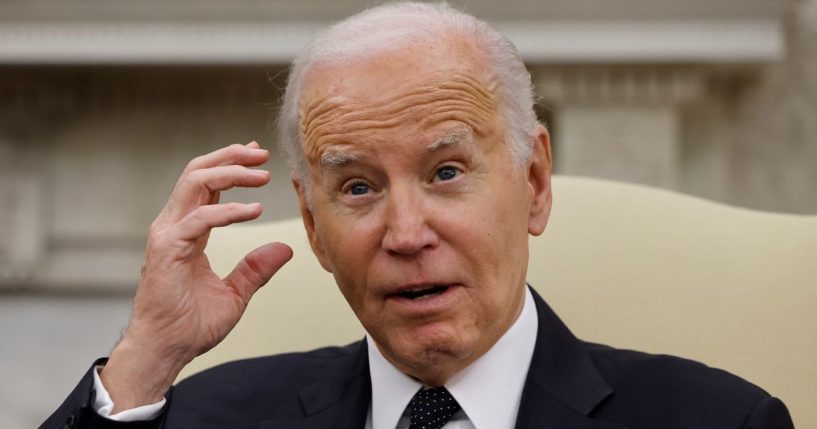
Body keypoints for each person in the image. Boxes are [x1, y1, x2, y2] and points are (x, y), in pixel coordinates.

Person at [41, 2, 794, 428]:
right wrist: (146, 356)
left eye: (444, 172)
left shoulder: (720, 423)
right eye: (359, 188)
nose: (405, 234)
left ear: (533, 182)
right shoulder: (206, 416)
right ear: (312, 227)